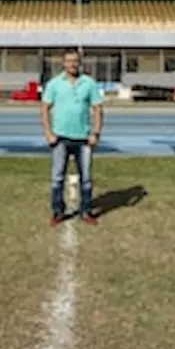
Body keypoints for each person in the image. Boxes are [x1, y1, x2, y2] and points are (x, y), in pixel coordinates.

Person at [40, 48, 104, 227]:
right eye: (68, 61)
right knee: (57, 177)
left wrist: (95, 133)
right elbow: (45, 108)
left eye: (75, 61)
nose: (72, 64)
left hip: (83, 138)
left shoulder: (89, 83)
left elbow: (98, 109)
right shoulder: (54, 84)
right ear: (63, 63)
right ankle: (58, 211)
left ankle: (85, 211)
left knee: (86, 178)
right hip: (60, 138)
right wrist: (48, 133)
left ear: (80, 62)